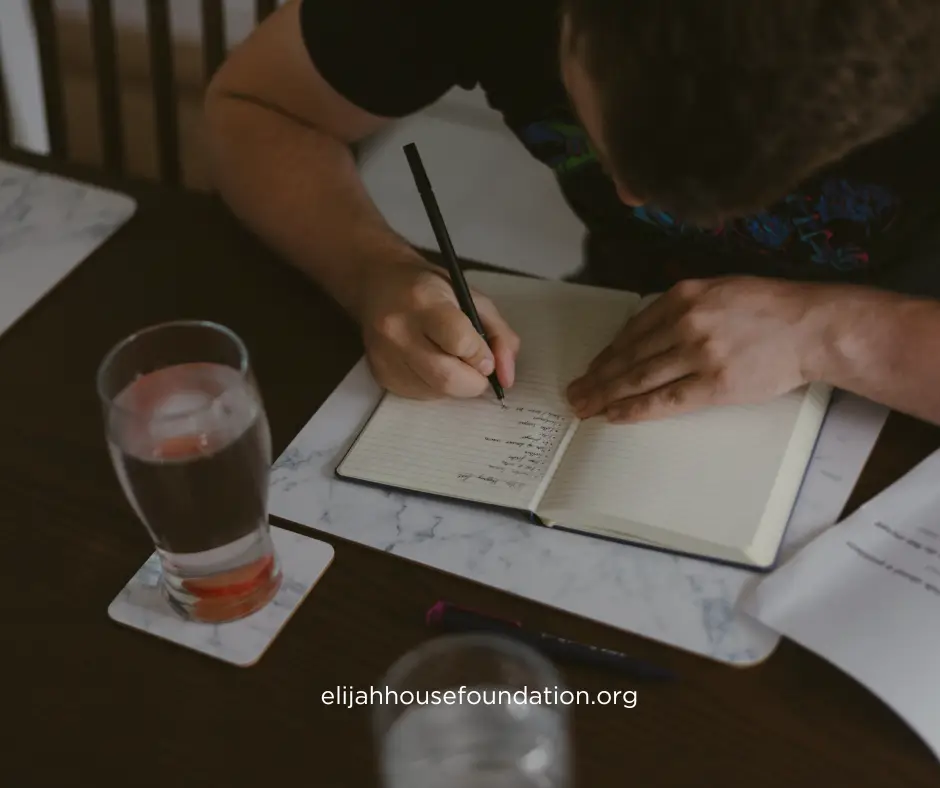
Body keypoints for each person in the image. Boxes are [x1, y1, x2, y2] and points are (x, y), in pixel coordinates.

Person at [204, 0, 940, 426]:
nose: (631, 202)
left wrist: (830, 335)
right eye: (603, 142)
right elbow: (256, 109)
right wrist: (372, 268)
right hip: (618, 312)